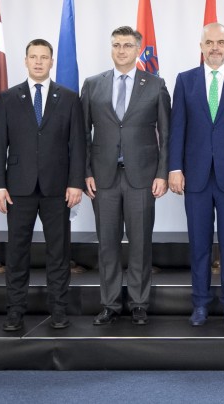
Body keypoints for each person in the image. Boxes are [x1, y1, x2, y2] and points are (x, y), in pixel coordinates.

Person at [168, 22, 224, 327]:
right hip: (194, 176)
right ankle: (200, 303)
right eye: (209, 43)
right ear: (201, 46)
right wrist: (175, 167)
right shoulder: (185, 81)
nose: (215, 48)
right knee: (199, 243)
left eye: (220, 42)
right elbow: (177, 128)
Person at [0, 39, 86, 332]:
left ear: (52, 61)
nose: (39, 62)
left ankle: (58, 310)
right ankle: (15, 312)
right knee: (17, 253)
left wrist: (76, 183)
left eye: (44, 57)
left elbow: (78, 145)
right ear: (26, 60)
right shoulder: (8, 98)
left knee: (58, 253)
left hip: (58, 188)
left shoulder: (69, 98)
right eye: (34, 57)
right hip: (18, 189)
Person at [83, 26, 171, 327]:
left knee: (140, 243)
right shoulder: (93, 84)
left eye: (128, 45)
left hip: (143, 178)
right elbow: (82, 134)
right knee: (107, 244)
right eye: (117, 45)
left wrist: (162, 173)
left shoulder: (156, 84)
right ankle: (109, 303)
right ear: (111, 49)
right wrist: (86, 172)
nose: (121, 50)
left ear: (138, 50)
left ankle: (138, 303)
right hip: (103, 178)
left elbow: (166, 134)